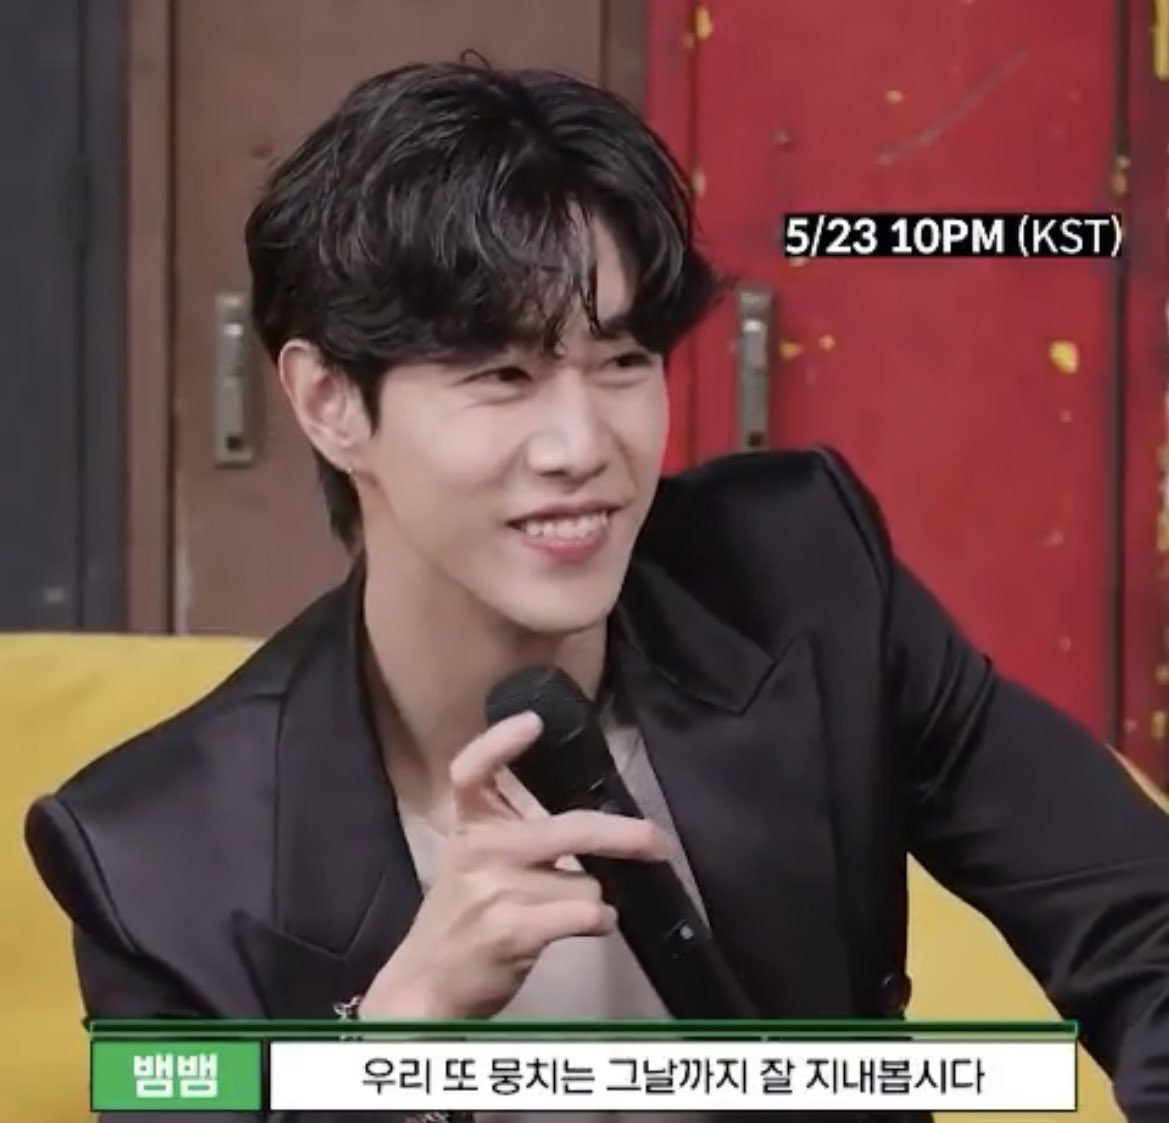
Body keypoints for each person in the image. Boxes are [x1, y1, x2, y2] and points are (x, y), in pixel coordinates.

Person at [24, 61, 1169, 1123]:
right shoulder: (155, 858)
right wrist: (391, 1045)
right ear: (329, 402)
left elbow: (1141, 923)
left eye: (622, 362)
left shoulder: (802, 581)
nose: (582, 445)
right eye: (501, 374)